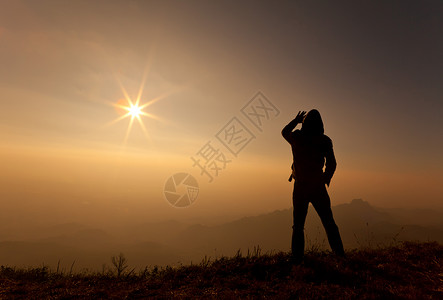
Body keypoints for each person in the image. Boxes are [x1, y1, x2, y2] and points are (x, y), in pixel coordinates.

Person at [282, 110, 345, 264]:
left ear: (305, 123)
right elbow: (332, 163)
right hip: (318, 186)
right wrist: (325, 179)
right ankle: (340, 256)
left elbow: (284, 132)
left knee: (298, 225)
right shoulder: (324, 141)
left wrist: (296, 120)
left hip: (300, 187)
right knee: (329, 222)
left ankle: (297, 259)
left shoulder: (297, 137)